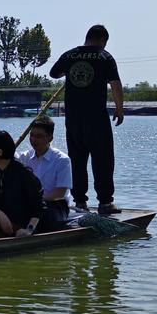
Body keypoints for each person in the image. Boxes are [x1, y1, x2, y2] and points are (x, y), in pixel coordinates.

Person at [49, 24, 124, 215]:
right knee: (103, 160)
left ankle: (80, 202)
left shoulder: (69, 55)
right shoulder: (104, 56)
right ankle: (105, 202)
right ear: (102, 40)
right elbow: (115, 83)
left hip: (73, 119)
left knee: (77, 160)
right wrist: (119, 108)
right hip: (97, 118)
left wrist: (70, 72)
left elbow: (54, 73)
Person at [18, 115, 72, 228]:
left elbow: (59, 193)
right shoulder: (23, 158)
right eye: (31, 135)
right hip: (30, 204)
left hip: (56, 205)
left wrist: (36, 200)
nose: (33, 140)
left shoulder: (62, 160)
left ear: (50, 138)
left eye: (38, 136)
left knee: (41, 213)